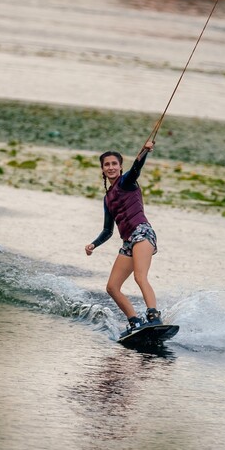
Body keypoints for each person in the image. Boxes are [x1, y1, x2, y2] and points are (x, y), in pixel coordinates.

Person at [85, 139, 163, 335]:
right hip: (128, 241)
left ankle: (154, 316)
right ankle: (135, 321)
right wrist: (93, 244)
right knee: (112, 287)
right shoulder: (107, 199)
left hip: (142, 232)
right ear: (102, 170)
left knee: (139, 276)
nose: (110, 167)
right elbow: (108, 231)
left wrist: (144, 151)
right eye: (106, 165)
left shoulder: (127, 181)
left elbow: (136, 168)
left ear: (120, 167)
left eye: (114, 164)